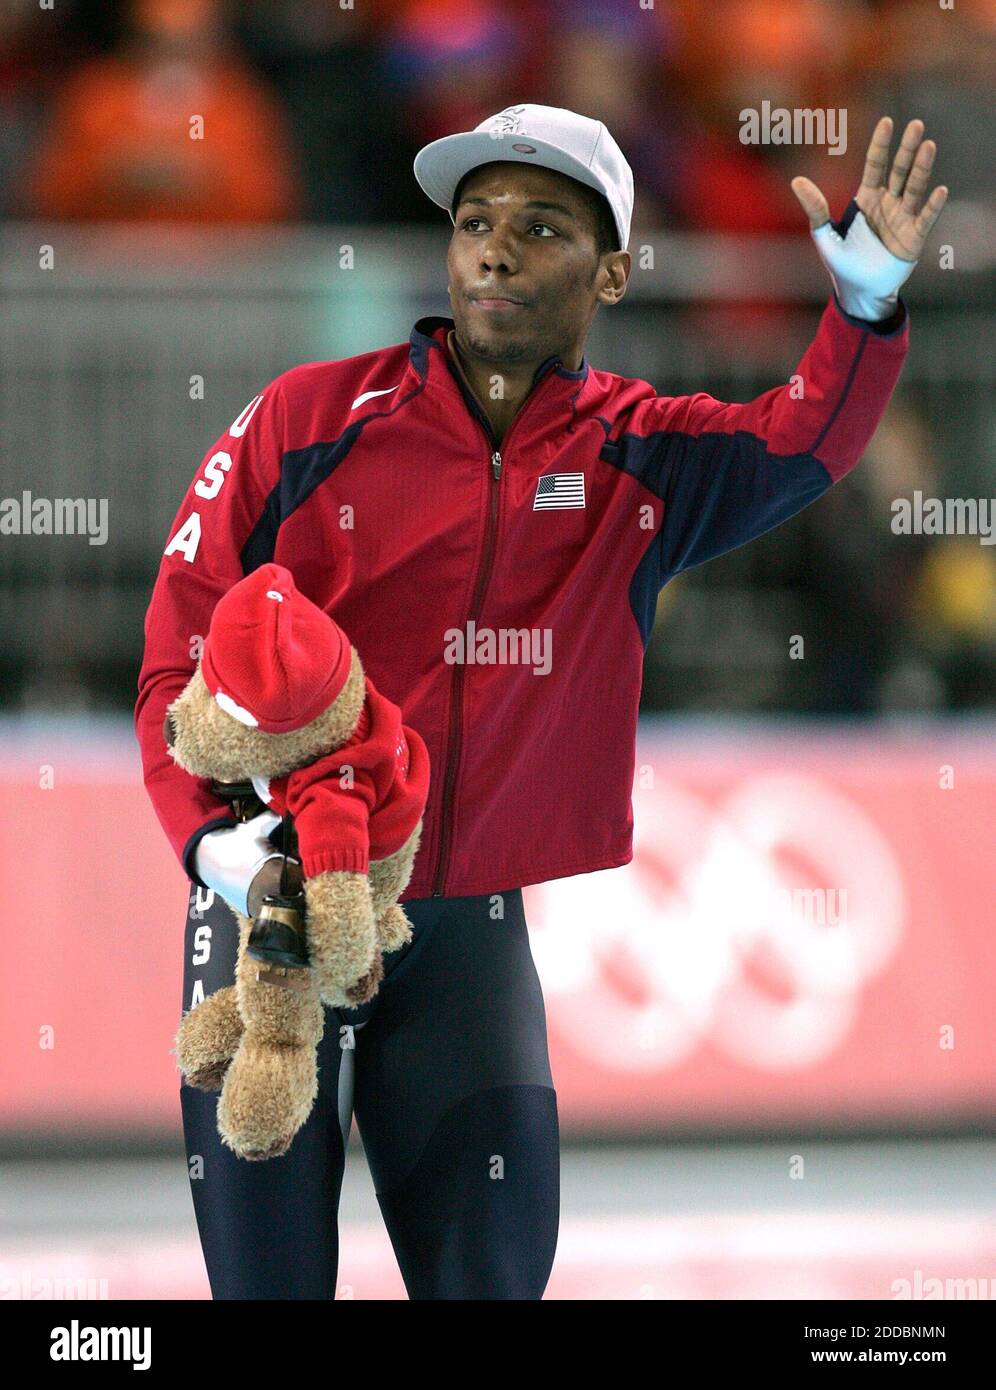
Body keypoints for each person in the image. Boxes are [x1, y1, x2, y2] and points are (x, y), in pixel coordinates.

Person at [135, 103, 946, 1299]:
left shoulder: (640, 459)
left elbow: (803, 443)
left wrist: (864, 308)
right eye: (474, 224)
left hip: (470, 945)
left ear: (613, 271)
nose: (495, 251)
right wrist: (224, 858)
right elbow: (170, 672)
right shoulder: (306, 423)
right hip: (278, 914)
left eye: (541, 227)